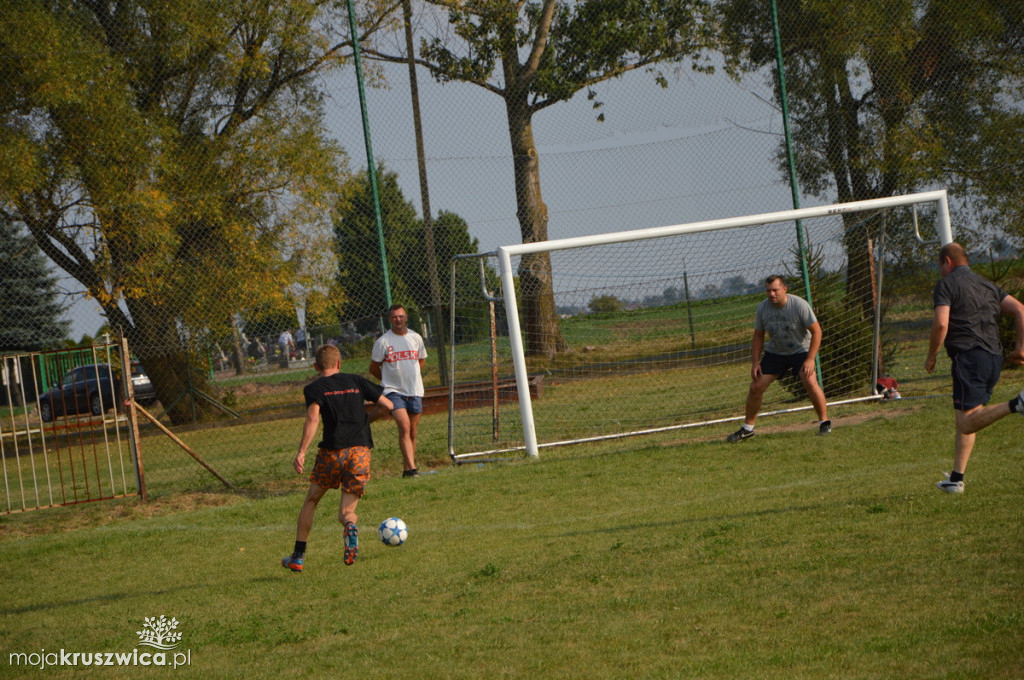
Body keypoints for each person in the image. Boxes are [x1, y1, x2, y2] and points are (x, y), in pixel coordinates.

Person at [282, 344, 393, 571]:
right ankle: (350, 526)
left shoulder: (315, 388)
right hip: (360, 452)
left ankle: (298, 557)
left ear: (315, 366)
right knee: (346, 512)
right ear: (339, 363)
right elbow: (387, 405)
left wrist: (301, 452)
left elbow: (313, 419)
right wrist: (366, 420)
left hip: (332, 453)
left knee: (312, 499)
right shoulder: (355, 380)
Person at [924, 242, 1024, 494]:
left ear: (947, 261)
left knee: (967, 423)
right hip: (993, 357)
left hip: (968, 357)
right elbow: (1020, 310)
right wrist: (1021, 347)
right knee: (968, 414)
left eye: (940, 267)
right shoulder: (987, 284)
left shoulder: (946, 285)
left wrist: (932, 355)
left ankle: (1018, 404)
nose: (941, 272)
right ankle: (956, 479)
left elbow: (941, 325)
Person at [727, 274, 830, 442]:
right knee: (755, 387)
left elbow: (817, 332)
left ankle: (824, 423)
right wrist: (755, 362)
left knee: (810, 381)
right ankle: (748, 429)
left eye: (775, 290)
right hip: (775, 353)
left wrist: (810, 359)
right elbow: (758, 336)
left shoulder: (799, 305)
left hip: (800, 351)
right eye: (768, 291)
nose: (772, 294)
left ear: (784, 289)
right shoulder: (762, 308)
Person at [370, 304, 428, 477]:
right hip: (393, 391)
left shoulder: (415, 338)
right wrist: (388, 381)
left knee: (412, 431)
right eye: (394, 317)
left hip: (415, 390)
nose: (398, 320)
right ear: (389, 319)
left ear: (406, 317)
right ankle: (412, 469)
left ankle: (407, 468)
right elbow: (374, 367)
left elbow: (421, 361)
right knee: (404, 426)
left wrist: (413, 376)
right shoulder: (383, 342)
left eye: (401, 316)